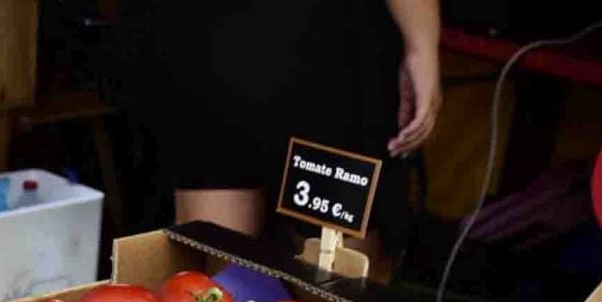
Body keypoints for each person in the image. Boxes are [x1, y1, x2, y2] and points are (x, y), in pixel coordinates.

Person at [124, 0, 441, 251]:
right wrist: (422, 47)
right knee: (339, 284)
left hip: (206, 42)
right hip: (330, 55)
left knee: (211, 277)